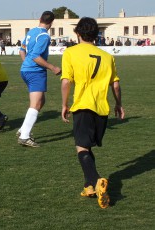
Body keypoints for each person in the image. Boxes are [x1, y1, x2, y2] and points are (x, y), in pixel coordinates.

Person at [61, 17, 125, 209]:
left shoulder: (71, 52)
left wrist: (64, 105)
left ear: (78, 33)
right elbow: (115, 83)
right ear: (96, 34)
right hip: (102, 109)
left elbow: (66, 81)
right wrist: (119, 104)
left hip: (83, 106)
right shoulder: (107, 56)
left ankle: (97, 181)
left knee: (81, 148)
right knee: (87, 147)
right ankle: (88, 186)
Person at [17, 10, 61, 147]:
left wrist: (25, 63)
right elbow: (36, 56)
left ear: (40, 19)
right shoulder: (44, 36)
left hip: (26, 70)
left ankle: (23, 129)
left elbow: (22, 50)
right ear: (52, 22)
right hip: (35, 72)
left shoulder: (31, 32)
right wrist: (53, 67)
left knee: (41, 101)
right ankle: (24, 136)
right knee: (36, 104)